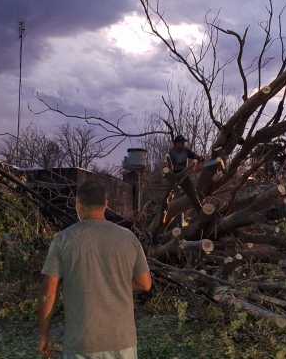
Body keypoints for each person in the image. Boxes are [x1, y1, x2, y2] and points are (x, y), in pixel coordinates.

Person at [38, 181, 153, 359]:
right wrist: (115, 284)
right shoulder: (128, 237)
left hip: (82, 344)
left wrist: (44, 335)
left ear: (79, 205)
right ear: (106, 204)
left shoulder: (63, 239)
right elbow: (145, 284)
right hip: (122, 342)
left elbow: (49, 293)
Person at [165, 135, 204, 216]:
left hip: (184, 176)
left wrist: (199, 158)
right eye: (181, 143)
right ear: (176, 143)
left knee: (193, 194)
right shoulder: (171, 153)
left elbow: (194, 155)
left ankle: (200, 211)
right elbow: (168, 166)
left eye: (183, 143)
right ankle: (165, 213)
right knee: (170, 196)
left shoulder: (186, 150)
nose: (183, 144)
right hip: (174, 176)